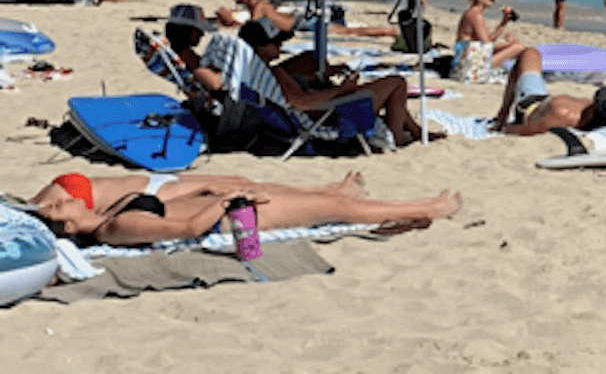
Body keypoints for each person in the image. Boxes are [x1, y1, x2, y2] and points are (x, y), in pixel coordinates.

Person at [36, 178, 460, 248]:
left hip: (234, 208)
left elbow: (175, 206)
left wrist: (209, 188)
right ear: (67, 223)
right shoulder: (117, 226)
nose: (64, 196)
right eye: (59, 203)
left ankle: (424, 205)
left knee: (337, 205)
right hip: (240, 220)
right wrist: (228, 200)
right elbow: (185, 228)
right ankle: (431, 208)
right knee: (340, 209)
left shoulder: (111, 213)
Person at [214, 19, 436, 147]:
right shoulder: (274, 73)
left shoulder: (258, 73)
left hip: (320, 110)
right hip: (327, 116)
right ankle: (397, 138)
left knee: (378, 86)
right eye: (277, 42)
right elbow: (300, 102)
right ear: (261, 48)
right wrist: (342, 89)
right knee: (396, 82)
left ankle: (415, 132)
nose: (281, 46)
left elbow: (296, 96)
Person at [490, 48, 606, 136]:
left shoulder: (566, 116)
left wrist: (503, 127)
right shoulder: (599, 116)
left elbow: (524, 129)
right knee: (530, 54)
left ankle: (503, 111)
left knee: (529, 54)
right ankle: (502, 110)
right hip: (541, 101)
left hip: (530, 105)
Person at [30, 168, 370, 213]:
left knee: (239, 180)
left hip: (150, 182)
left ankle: (323, 189)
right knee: (241, 186)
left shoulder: (37, 208)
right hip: (149, 194)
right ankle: (329, 194)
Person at [455, 0, 527, 78]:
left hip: (471, 57)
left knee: (516, 45)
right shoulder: (475, 15)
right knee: (519, 47)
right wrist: (510, 44)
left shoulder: (475, 13)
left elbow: (489, 39)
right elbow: (487, 44)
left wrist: (504, 22)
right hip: (469, 64)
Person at [163, 2, 215, 70]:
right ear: (186, 31)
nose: (202, 34)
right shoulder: (188, 58)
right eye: (199, 30)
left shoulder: (162, 50)